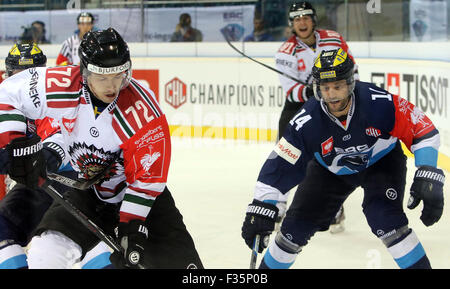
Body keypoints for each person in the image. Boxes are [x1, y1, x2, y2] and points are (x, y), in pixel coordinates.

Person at [0, 28, 203, 269]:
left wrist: (132, 224)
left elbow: (147, 181)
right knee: (45, 254)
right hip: (89, 190)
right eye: (103, 77)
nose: (112, 86)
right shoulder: (65, 85)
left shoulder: (142, 111)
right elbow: (10, 91)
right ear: (85, 73)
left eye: (118, 76)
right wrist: (13, 143)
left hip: (139, 196)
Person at [242, 48, 445, 269]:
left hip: (382, 164)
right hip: (330, 172)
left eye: (337, 86)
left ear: (350, 83)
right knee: (294, 228)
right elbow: (280, 164)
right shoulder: (306, 121)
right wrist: (262, 205)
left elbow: (421, 128)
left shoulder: (378, 102)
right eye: (325, 87)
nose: (331, 95)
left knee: (386, 218)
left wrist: (428, 169)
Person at [0, 43, 114, 269]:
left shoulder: (50, 96)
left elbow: (61, 134)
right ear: (7, 75)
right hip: (36, 186)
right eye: (18, 75)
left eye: (31, 73)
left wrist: (48, 154)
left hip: (71, 181)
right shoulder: (7, 102)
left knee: (74, 237)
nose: (24, 81)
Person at [273, 1, 359, 232]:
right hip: (300, 107)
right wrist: (316, 89)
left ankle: (335, 207)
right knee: (286, 153)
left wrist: (343, 91)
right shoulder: (285, 52)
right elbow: (291, 93)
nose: (302, 21)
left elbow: (352, 70)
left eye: (306, 17)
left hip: (333, 104)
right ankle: (277, 204)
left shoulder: (333, 39)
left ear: (314, 20)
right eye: (297, 18)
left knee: (332, 157)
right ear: (292, 24)